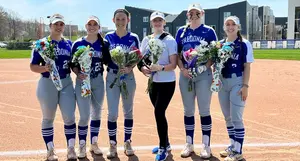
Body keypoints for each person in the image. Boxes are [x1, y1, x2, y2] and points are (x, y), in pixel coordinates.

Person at [30, 14, 77, 160]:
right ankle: (50, 150)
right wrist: (45, 68)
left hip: (66, 82)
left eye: (61, 24)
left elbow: (73, 64)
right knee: (48, 118)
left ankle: (71, 149)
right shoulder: (41, 44)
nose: (58, 27)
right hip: (47, 82)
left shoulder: (69, 44)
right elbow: (33, 66)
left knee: (69, 116)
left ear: (64, 26)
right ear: (50, 26)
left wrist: (81, 72)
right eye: (55, 24)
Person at [175, 3, 218, 159]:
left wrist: (205, 67)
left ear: (202, 13)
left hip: (203, 74)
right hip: (186, 74)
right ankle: (189, 143)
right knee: (188, 111)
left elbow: (214, 53)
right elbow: (178, 54)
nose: (194, 15)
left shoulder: (209, 31)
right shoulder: (181, 31)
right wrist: (182, 69)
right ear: (187, 14)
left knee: (204, 110)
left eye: (197, 12)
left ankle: (206, 145)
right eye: (191, 12)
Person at [138, 11, 177, 161]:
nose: (157, 23)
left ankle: (163, 148)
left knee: (159, 112)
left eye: (160, 20)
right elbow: (141, 59)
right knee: (158, 112)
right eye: (155, 21)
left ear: (164, 23)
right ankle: (166, 143)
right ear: (151, 23)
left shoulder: (170, 40)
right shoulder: (146, 40)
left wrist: (159, 68)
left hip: (167, 82)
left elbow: (173, 65)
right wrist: (143, 69)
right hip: (153, 83)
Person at [71, 16, 111, 158]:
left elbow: (108, 61)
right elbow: (73, 64)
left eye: (95, 24)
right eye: (89, 24)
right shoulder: (78, 43)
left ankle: (93, 143)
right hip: (83, 82)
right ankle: (81, 145)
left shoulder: (104, 43)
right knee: (84, 115)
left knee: (97, 113)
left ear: (99, 27)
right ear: (86, 26)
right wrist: (78, 73)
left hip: (98, 81)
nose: (92, 26)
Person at [104, 9, 140, 159]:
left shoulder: (133, 37)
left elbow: (138, 56)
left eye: (123, 19)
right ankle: (112, 144)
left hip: (128, 77)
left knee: (128, 111)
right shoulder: (108, 37)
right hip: (112, 76)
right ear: (113, 20)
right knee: (112, 113)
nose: (120, 22)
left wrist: (130, 67)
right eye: (118, 19)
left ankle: (127, 141)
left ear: (128, 20)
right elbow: (105, 58)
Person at [218, 16, 254, 161]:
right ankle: (233, 146)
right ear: (224, 27)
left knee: (236, 118)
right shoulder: (219, 44)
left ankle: (238, 152)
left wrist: (245, 86)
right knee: (228, 117)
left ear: (238, 27)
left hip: (237, 81)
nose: (230, 27)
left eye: (233, 24)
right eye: (227, 24)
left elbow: (247, 66)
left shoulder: (244, 44)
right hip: (222, 83)